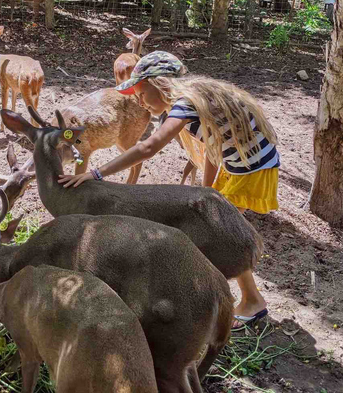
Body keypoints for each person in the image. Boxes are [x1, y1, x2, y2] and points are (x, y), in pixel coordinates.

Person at [58, 51, 280, 329]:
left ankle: (250, 301)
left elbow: (149, 147)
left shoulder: (184, 104)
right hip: (239, 164)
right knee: (216, 227)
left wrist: (97, 173)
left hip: (251, 168)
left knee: (224, 236)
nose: (138, 101)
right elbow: (212, 149)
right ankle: (238, 297)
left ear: (158, 84)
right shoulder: (195, 100)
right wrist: (207, 192)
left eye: (140, 93)